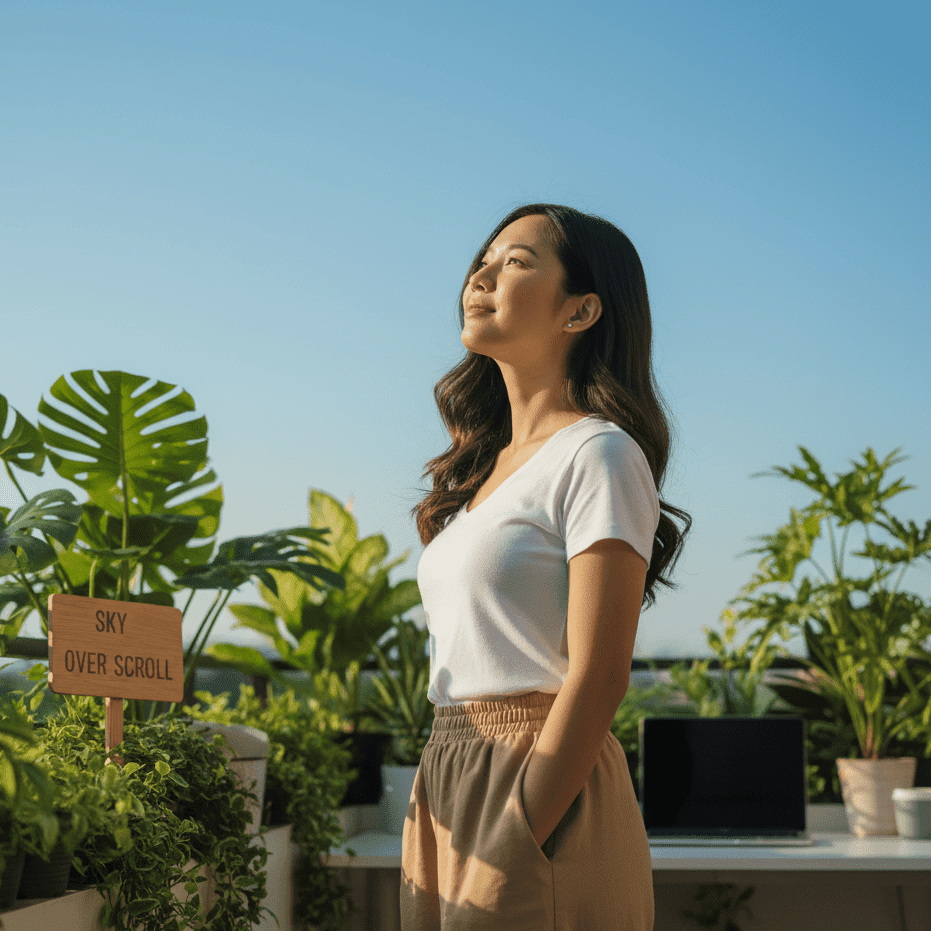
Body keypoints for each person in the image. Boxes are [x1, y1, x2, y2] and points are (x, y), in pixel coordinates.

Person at [401, 204, 691, 930]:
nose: (482, 272)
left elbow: (599, 671)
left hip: (539, 780)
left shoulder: (599, 453)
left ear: (581, 308)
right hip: (447, 773)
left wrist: (523, 821)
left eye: (517, 261)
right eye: (484, 258)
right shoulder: (484, 473)